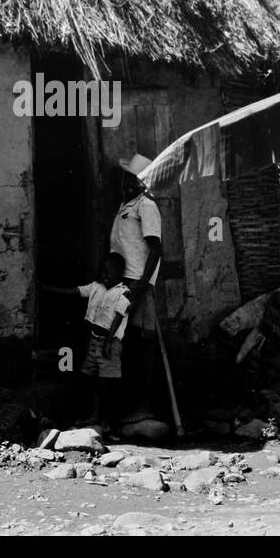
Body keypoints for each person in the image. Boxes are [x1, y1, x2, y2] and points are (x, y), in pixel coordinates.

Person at [41, 252, 132, 436]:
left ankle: (107, 422)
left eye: (109, 273)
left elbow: (117, 319)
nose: (104, 276)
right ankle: (93, 416)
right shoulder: (96, 287)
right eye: (102, 272)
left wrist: (107, 342)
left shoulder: (123, 293)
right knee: (89, 378)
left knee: (106, 383)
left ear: (119, 274)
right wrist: (46, 288)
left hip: (110, 344)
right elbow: (74, 291)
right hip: (93, 341)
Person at [110, 154, 163, 422]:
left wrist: (142, 286)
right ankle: (129, 405)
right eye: (126, 177)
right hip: (123, 282)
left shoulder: (146, 206)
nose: (127, 182)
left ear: (141, 182)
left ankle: (144, 406)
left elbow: (155, 248)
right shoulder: (125, 206)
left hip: (137, 283)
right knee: (126, 343)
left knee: (144, 342)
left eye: (133, 178)